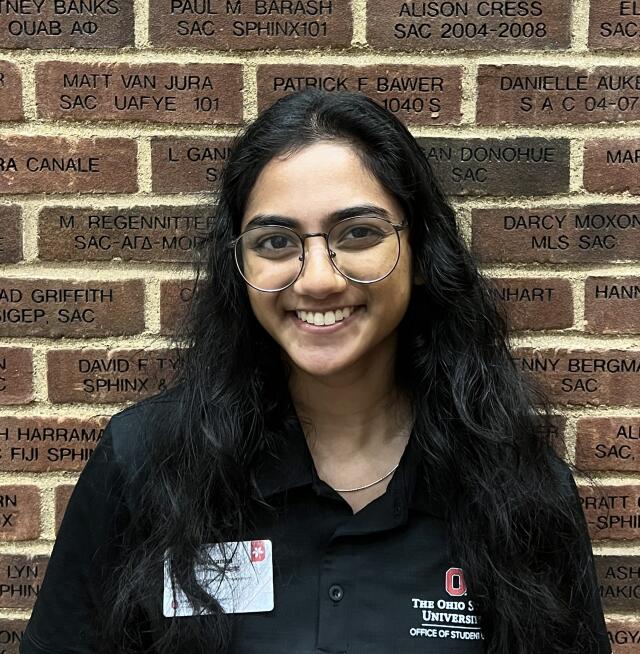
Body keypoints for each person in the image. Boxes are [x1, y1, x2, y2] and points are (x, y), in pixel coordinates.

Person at [21, 89, 611, 654]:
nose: (318, 278)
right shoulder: (145, 461)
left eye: (358, 233)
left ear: (424, 254)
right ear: (239, 267)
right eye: (276, 241)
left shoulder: (517, 487)